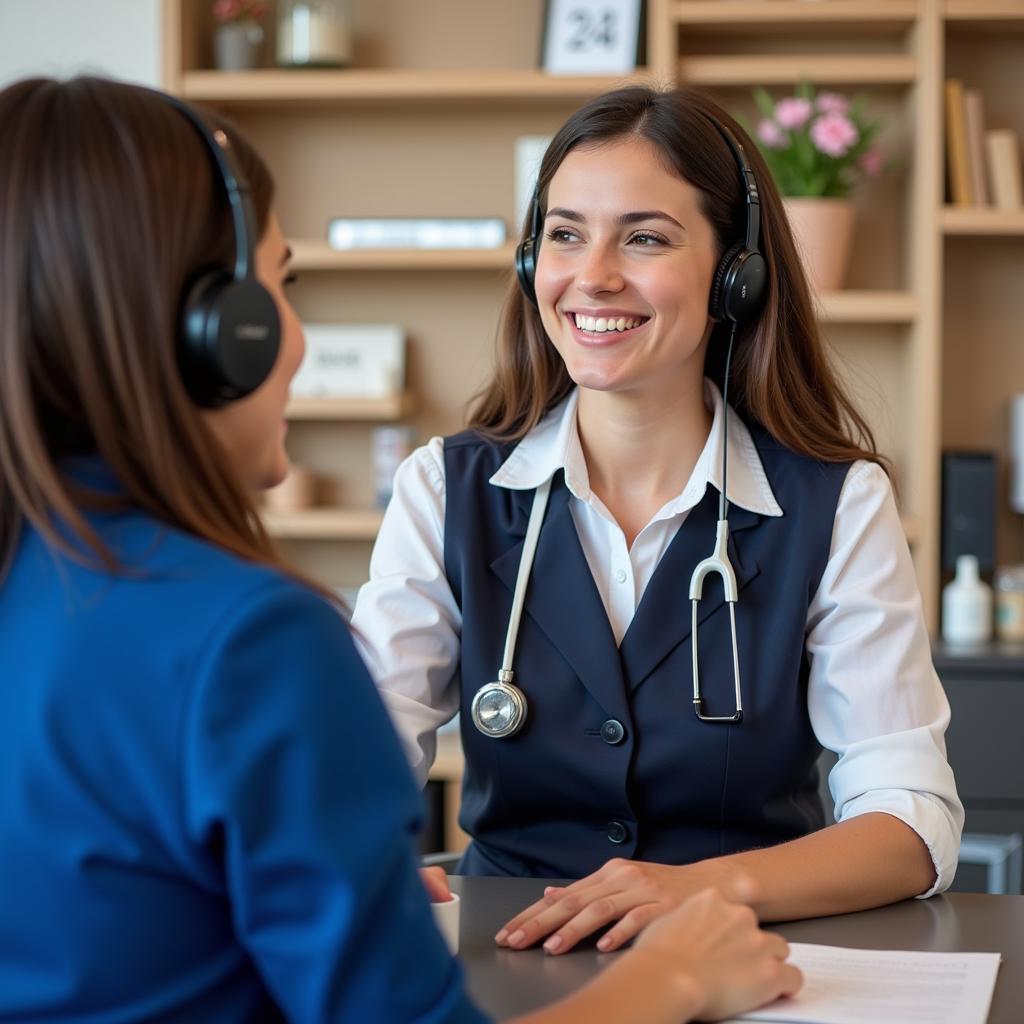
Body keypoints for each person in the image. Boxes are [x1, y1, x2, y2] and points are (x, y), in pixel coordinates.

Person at [0, 75, 802, 1024]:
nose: (298, 342)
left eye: (645, 235)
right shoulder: (251, 638)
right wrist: (677, 979)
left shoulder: (36, 584)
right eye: (283, 289)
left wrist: (331, 856)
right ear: (226, 337)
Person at [351, 85, 964, 955]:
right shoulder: (443, 490)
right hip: (513, 963)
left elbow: (911, 820)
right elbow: (359, 755)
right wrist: (333, 851)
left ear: (734, 274)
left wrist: (704, 888)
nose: (592, 275)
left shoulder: (836, 504)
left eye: (643, 237)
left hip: (739, 961)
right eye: (565, 233)